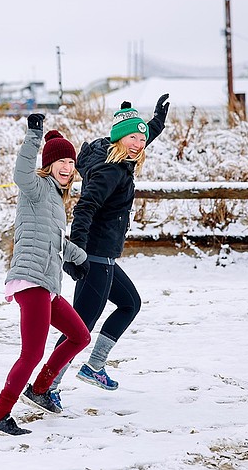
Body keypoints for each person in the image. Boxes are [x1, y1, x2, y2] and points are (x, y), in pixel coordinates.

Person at [47, 94, 170, 410]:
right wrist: (76, 256)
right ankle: (46, 386)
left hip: (105, 258)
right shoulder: (110, 171)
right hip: (94, 258)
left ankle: (94, 366)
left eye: (142, 138)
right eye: (133, 137)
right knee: (81, 329)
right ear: (119, 139)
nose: (139, 143)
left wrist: (157, 120)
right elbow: (84, 208)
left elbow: (139, 133)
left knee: (130, 303)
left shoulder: (115, 155)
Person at [0, 113, 91, 436]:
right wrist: (34, 135)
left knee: (80, 336)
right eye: (60, 161)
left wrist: (79, 258)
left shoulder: (57, 200)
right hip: (31, 281)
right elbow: (20, 173)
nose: (67, 167)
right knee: (31, 353)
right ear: (48, 164)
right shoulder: (36, 188)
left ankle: (40, 389)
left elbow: (56, 241)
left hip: (48, 285)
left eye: (70, 162)